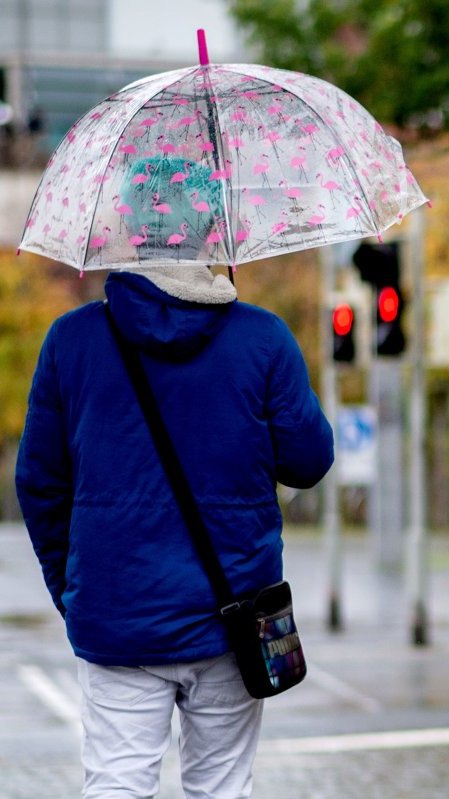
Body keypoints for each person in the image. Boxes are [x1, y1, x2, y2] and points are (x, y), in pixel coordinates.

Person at [15, 212, 334, 794]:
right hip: (233, 614)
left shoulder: (72, 339)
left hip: (117, 614)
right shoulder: (263, 338)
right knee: (220, 788)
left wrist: (74, 588)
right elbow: (309, 462)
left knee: (116, 784)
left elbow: (39, 483)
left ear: (123, 236)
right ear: (213, 235)